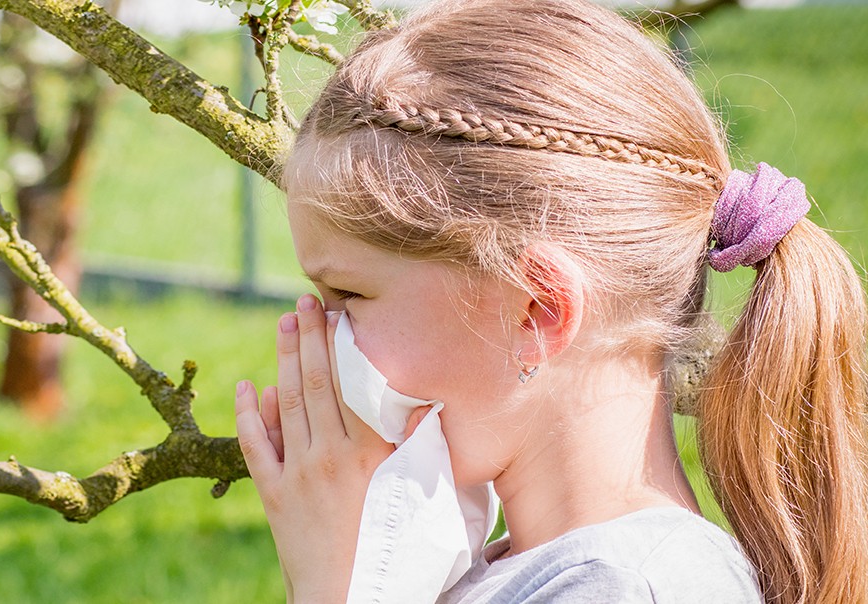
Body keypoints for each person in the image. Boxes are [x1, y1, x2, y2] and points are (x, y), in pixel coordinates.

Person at [231, 0, 868, 602]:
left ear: (536, 310)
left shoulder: (622, 589)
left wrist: (329, 586)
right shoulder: (520, 570)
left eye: (350, 294)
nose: (321, 336)